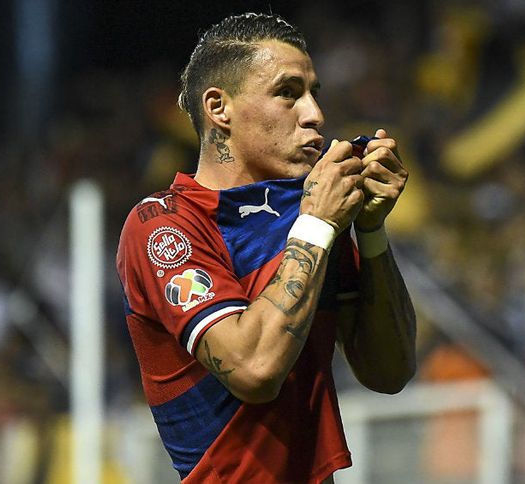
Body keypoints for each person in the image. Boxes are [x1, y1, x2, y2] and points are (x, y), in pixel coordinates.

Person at [116, 12, 416, 483]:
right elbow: (254, 369)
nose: (315, 114)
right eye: (288, 93)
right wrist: (318, 225)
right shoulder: (165, 225)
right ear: (220, 108)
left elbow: (389, 372)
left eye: (314, 93)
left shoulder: (314, 215)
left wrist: (371, 230)